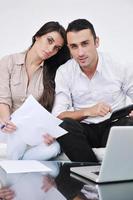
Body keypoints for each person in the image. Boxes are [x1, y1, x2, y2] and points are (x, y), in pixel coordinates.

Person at [52, 19, 133, 162]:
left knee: (129, 123)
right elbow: (58, 115)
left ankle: (108, 171)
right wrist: (88, 111)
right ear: (68, 48)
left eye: (85, 43)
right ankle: (90, 171)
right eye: (74, 46)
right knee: (64, 126)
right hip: (84, 131)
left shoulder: (119, 65)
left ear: (96, 42)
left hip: (113, 126)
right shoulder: (64, 72)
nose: (80, 52)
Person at [0, 21, 70, 160]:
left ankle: (16, 170)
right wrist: (7, 122)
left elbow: (54, 109)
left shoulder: (53, 72)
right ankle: (19, 169)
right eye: (49, 41)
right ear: (37, 36)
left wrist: (50, 132)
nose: (51, 49)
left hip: (32, 130)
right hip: (6, 123)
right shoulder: (8, 61)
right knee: (17, 137)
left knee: (54, 148)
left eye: (56, 47)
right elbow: (3, 99)